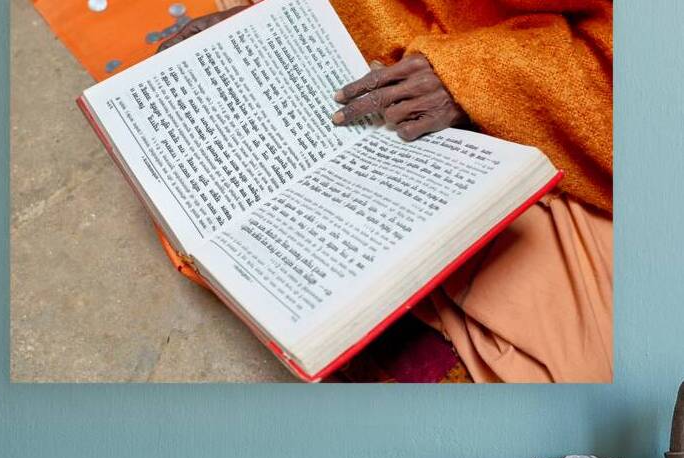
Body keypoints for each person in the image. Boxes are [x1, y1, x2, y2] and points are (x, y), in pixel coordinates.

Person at [160, 0, 613, 383]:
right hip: (376, 66)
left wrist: (479, 79)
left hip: (561, 76)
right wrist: (275, 20)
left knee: (585, 363)